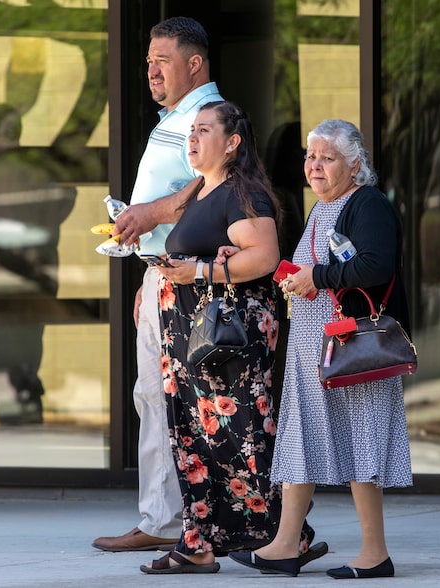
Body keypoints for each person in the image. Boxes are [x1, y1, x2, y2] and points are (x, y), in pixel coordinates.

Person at [140, 100, 326, 574]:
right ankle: (197, 542)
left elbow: (263, 257)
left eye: (204, 130)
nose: (193, 138)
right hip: (190, 337)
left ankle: (288, 536)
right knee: (193, 440)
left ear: (232, 142)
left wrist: (199, 269)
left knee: (240, 437)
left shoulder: (243, 193)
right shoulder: (201, 189)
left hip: (231, 337)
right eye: (192, 131)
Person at [229, 119, 412, 579]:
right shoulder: (320, 208)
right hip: (315, 346)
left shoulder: (367, 203)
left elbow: (375, 265)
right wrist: (298, 276)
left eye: (326, 158)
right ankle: (286, 545)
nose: (314, 166)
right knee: (301, 438)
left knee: (361, 440)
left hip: (354, 347)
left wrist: (318, 277)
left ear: (354, 164)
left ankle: (375, 553)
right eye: (310, 158)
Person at [92, 16, 223, 553]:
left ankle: (194, 524)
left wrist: (152, 213)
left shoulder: (211, 116)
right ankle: (162, 520)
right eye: (148, 61)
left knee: (193, 403)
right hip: (161, 275)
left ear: (194, 64)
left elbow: (218, 181)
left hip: (192, 280)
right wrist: (147, 273)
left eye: (161, 60)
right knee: (151, 397)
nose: (150, 71)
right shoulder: (175, 115)